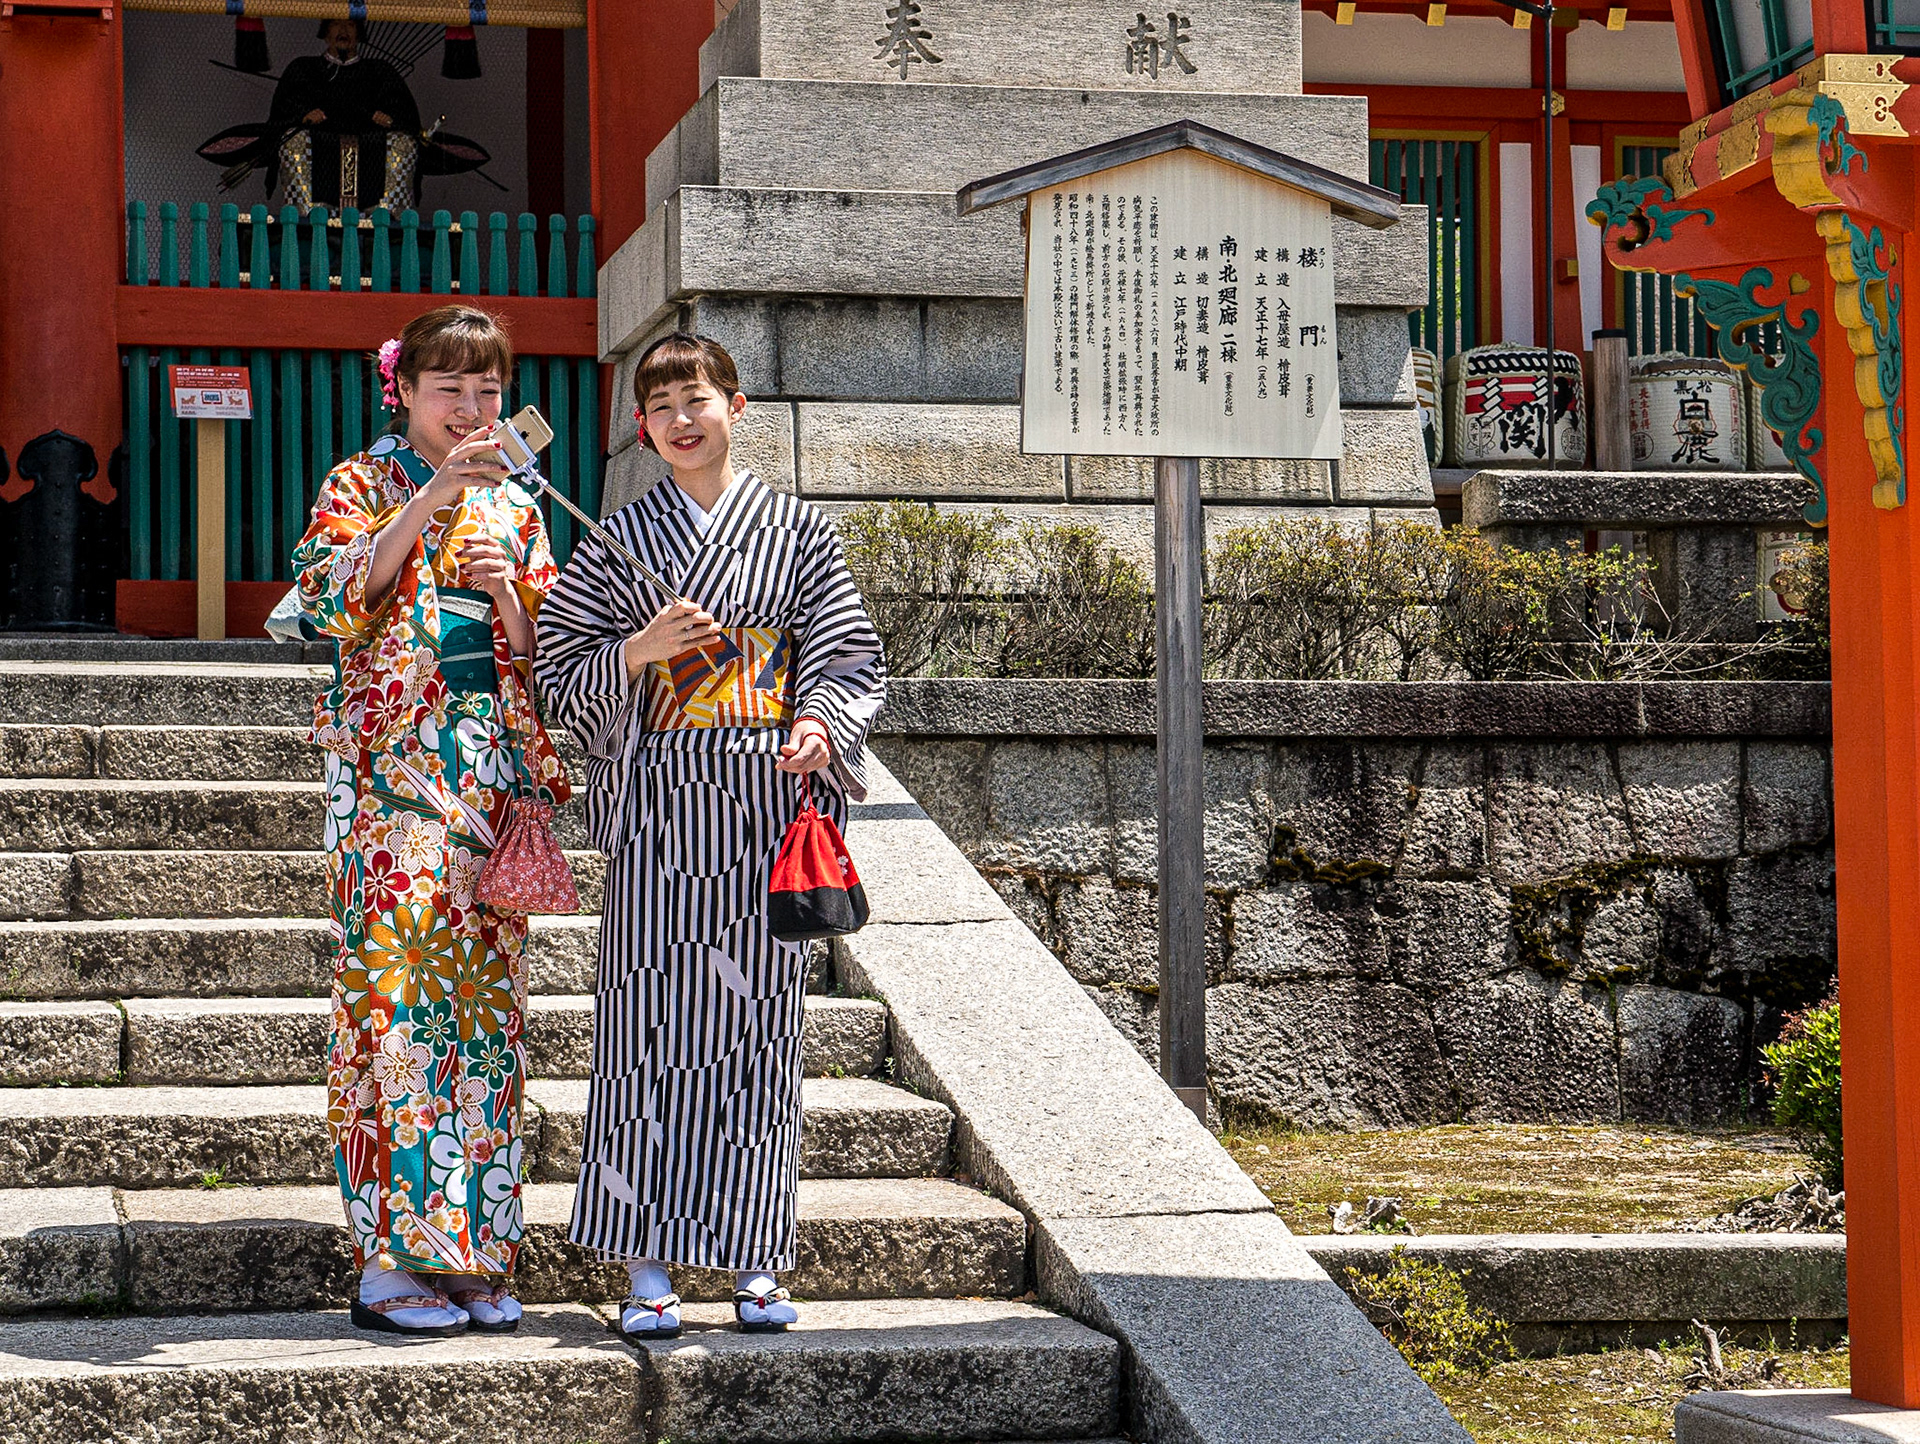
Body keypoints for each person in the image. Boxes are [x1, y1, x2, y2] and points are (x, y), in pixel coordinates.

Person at [535, 333, 886, 1338]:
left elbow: (844, 649)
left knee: (759, 1035)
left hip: (764, 804)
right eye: (660, 407)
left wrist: (818, 717)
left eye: (697, 399)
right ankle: (645, 1263)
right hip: (660, 812)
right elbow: (561, 675)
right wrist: (640, 649)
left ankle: (755, 1259)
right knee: (645, 1033)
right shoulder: (614, 540)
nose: (681, 420)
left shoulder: (798, 531)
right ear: (642, 428)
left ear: (738, 406)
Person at [291, 303, 570, 1336]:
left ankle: (478, 1250)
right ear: (402, 392)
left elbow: (553, 650)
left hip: (488, 773)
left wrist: (509, 602)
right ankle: (390, 1259)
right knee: (395, 1002)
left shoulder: (524, 503)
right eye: (448, 388)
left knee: (486, 1019)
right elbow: (326, 601)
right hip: (394, 776)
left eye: (488, 391)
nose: (471, 408)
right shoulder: (359, 484)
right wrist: (430, 506)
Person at [268, 18, 421, 213]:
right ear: (325, 32)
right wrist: (304, 117)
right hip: (320, 151)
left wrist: (389, 120)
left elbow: (406, 116)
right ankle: (306, 211)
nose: (343, 30)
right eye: (335, 24)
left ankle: (387, 211)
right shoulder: (304, 69)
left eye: (350, 25)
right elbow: (283, 111)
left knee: (404, 142)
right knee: (293, 139)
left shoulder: (380, 71)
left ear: (359, 33)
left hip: (371, 153)